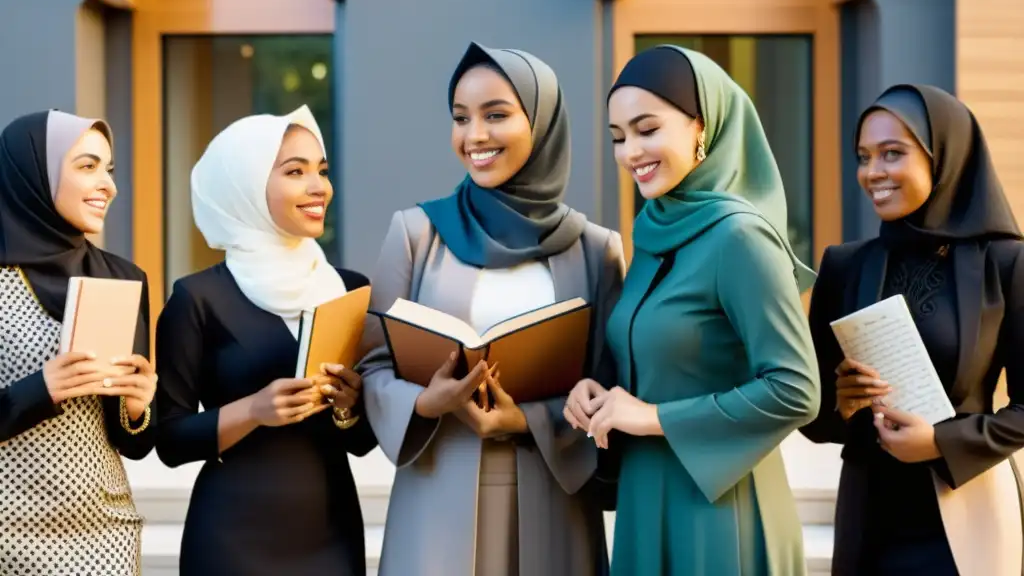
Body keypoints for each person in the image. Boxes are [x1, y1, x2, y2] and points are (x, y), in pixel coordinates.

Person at [358, 42, 624, 576]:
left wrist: (526, 418)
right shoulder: (415, 233)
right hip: (437, 490)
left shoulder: (596, 249)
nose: (474, 136)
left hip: (554, 496)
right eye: (460, 118)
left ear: (542, 122)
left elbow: (609, 387)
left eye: (496, 115)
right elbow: (372, 364)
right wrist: (426, 403)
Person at [564, 45, 820, 575]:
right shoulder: (658, 230)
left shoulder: (739, 236)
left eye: (647, 129)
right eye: (617, 137)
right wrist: (601, 392)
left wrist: (653, 417)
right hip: (646, 496)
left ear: (701, 127)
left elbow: (797, 389)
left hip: (720, 507)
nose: (630, 151)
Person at [800, 84, 1024, 576]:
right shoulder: (844, 265)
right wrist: (840, 403)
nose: (872, 172)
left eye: (892, 153)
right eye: (863, 157)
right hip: (869, 514)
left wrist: (943, 442)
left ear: (944, 156)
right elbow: (813, 417)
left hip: (965, 511)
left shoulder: (1005, 264)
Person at [154, 105, 376, 576]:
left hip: (331, 531)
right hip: (233, 536)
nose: (319, 186)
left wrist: (350, 405)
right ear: (247, 186)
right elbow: (169, 440)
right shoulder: (197, 297)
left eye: (321, 170)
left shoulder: (349, 288)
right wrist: (254, 410)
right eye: (295, 172)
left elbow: (360, 442)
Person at [0, 110, 157, 576]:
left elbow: (135, 443)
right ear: (33, 172)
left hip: (103, 534)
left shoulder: (123, 277)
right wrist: (39, 390)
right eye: (87, 166)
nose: (108, 185)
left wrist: (137, 408)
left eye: (109, 170)